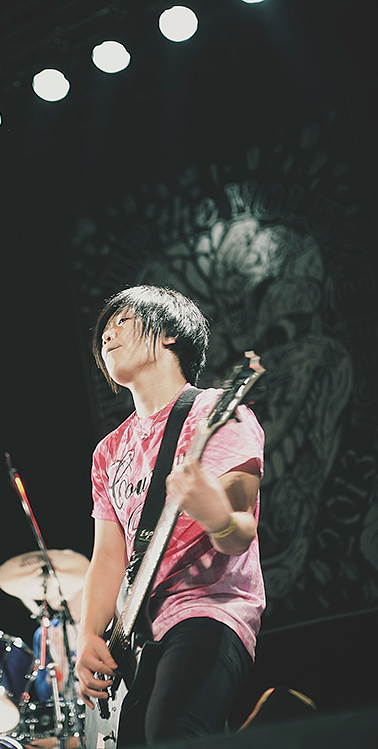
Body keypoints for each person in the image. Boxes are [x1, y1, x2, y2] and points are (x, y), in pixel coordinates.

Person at [75, 285, 265, 746]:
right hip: (137, 634)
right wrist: (88, 637)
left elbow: (239, 531)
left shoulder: (215, 413)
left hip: (208, 610)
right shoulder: (108, 452)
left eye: (122, 321)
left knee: (172, 730)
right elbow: (108, 558)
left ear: (170, 334)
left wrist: (216, 515)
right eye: (103, 331)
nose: (107, 335)